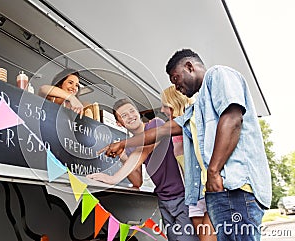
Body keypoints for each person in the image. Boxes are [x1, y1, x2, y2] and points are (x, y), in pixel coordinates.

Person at [102, 49, 272, 241]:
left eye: (176, 79)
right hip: (217, 191)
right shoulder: (196, 108)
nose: (176, 87)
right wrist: (123, 143)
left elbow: (232, 119)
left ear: (189, 67)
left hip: (236, 188)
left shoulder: (218, 74)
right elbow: (164, 130)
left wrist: (213, 171)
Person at [87, 98, 199, 241]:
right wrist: (122, 156)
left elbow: (143, 151)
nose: (130, 116)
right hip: (164, 198)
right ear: (119, 123)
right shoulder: (131, 146)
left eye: (132, 111)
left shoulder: (156, 124)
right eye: (124, 115)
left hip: (182, 196)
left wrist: (113, 178)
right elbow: (137, 180)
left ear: (138, 113)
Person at [162, 86, 216, 241]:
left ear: (175, 103)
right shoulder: (172, 130)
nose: (162, 109)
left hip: (208, 189)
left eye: (165, 105)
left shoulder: (195, 121)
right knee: (202, 237)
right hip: (193, 193)